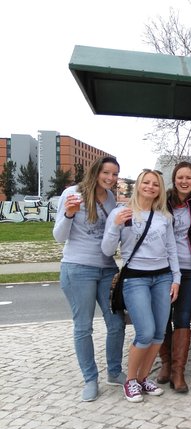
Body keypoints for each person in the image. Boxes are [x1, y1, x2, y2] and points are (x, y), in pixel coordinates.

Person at [102, 169, 180, 403]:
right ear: (138, 185)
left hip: (163, 278)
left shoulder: (164, 216)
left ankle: (144, 378)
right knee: (145, 332)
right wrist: (115, 226)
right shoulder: (121, 213)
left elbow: (171, 249)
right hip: (135, 279)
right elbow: (106, 251)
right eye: (146, 182)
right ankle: (130, 381)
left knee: (159, 332)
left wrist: (176, 278)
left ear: (159, 189)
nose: (150, 187)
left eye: (155, 184)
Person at [53, 156, 126, 402]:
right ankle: (90, 379)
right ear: (96, 171)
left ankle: (114, 372)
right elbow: (59, 236)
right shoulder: (72, 194)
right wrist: (69, 214)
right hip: (77, 268)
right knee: (83, 326)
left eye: (115, 174)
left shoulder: (111, 198)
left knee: (116, 323)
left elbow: (112, 235)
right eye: (107, 172)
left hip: (107, 268)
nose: (111, 178)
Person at [156, 162, 191, 393]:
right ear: (174, 179)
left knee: (183, 317)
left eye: (189, 177)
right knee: (162, 317)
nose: (184, 181)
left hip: (190, 269)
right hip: (164, 268)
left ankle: (179, 371)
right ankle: (166, 364)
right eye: (180, 177)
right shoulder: (163, 201)